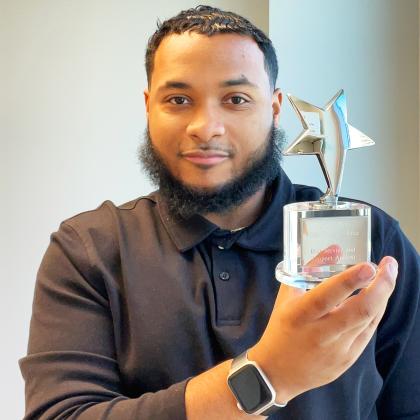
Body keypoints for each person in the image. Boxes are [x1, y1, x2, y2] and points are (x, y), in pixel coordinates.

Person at [19, 5, 420, 420]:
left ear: (276, 107)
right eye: (178, 99)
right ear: (148, 107)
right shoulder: (90, 251)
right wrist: (267, 375)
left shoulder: (373, 238)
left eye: (236, 99)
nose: (206, 126)